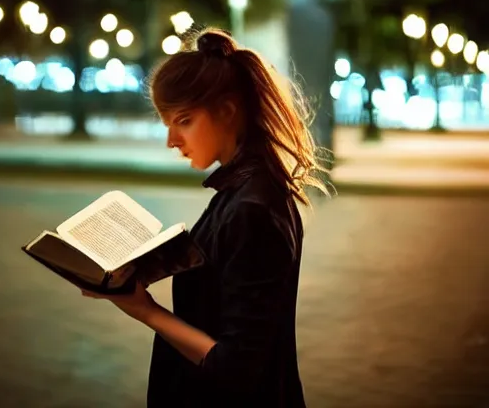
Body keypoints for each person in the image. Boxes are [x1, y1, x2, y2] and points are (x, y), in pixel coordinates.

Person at [82, 28, 332, 407]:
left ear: (227, 111)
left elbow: (235, 367)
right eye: (167, 123)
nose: (171, 140)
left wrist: (144, 310)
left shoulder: (252, 208)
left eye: (183, 121)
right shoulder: (242, 189)